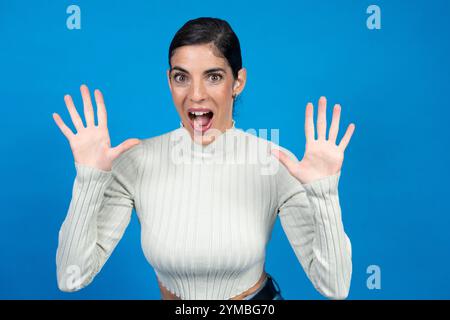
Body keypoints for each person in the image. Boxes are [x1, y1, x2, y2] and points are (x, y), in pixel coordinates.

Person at [53, 17, 355, 300]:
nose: (195, 95)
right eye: (181, 77)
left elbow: (335, 285)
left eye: (213, 76)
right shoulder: (135, 162)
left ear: (237, 82)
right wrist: (89, 177)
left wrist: (324, 192)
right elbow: (71, 278)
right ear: (169, 82)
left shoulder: (275, 163)